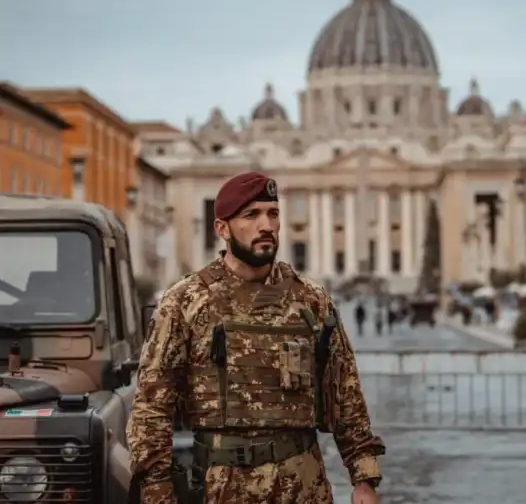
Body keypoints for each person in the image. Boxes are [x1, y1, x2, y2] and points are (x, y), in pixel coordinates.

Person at [126, 172, 384, 504]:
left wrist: (364, 477)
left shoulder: (311, 300)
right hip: (222, 485)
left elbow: (345, 391)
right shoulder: (186, 301)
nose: (266, 225)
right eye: (252, 215)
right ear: (222, 229)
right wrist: (156, 488)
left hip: (302, 485)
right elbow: (151, 404)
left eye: (272, 213)